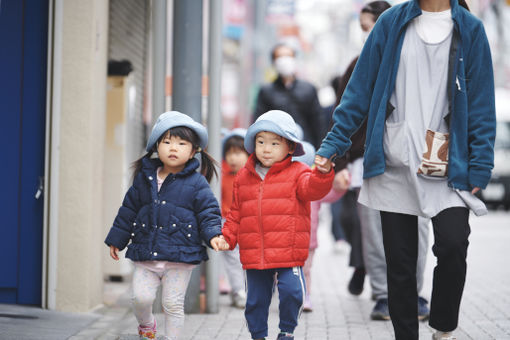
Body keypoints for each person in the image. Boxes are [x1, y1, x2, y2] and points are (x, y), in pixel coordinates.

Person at [315, 0, 496, 338]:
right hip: (393, 158)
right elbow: (358, 91)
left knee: (454, 246)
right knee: (400, 263)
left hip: (447, 161)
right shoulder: (391, 22)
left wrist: (481, 163)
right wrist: (333, 145)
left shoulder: (470, 29)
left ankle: (442, 325)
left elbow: (482, 103)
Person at [334, 0, 432, 321]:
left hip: (418, 155)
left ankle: (414, 294)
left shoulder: (418, 56)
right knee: (374, 232)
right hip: (368, 159)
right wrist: (340, 161)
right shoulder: (356, 65)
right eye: (363, 29)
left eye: (370, 27)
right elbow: (345, 114)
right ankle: (382, 295)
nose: (367, 34)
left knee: (417, 228)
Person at [104, 111, 225, 340]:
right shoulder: (145, 178)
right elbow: (128, 209)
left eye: (181, 143)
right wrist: (117, 239)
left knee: (172, 304)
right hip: (146, 252)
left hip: (180, 255)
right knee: (141, 298)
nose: (173, 147)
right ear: (156, 146)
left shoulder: (197, 183)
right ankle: (147, 327)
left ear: (194, 151)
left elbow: (208, 212)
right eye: (167, 141)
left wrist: (214, 235)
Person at [219, 110, 334, 340]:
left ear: (290, 148)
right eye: (261, 142)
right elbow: (236, 212)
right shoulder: (244, 176)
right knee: (255, 300)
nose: (266, 148)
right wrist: (227, 237)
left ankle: (286, 331)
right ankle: (258, 335)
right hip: (255, 252)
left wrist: (323, 173)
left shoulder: (299, 172)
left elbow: (314, 189)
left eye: (274, 143)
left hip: (288, 251)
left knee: (293, 292)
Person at [293, 141, 346, 312]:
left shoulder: (314, 190)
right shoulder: (287, 187)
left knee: (305, 269)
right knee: (284, 272)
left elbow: (330, 194)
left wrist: (340, 188)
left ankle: (305, 295)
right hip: (287, 238)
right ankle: (287, 294)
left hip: (309, 240)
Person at [253, 43, 324, 148]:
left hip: (305, 147)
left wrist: (320, 150)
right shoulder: (266, 91)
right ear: (273, 62)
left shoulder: (308, 89)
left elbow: (318, 123)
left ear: (294, 59)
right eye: (280, 57)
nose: (284, 60)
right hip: (276, 149)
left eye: (288, 56)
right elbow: (259, 123)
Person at [220, 128, 249, 308]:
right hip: (227, 223)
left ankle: (242, 290)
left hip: (248, 223)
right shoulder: (222, 177)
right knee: (232, 258)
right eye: (229, 153)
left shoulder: (253, 178)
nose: (232, 158)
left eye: (238, 153)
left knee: (244, 259)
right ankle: (239, 290)